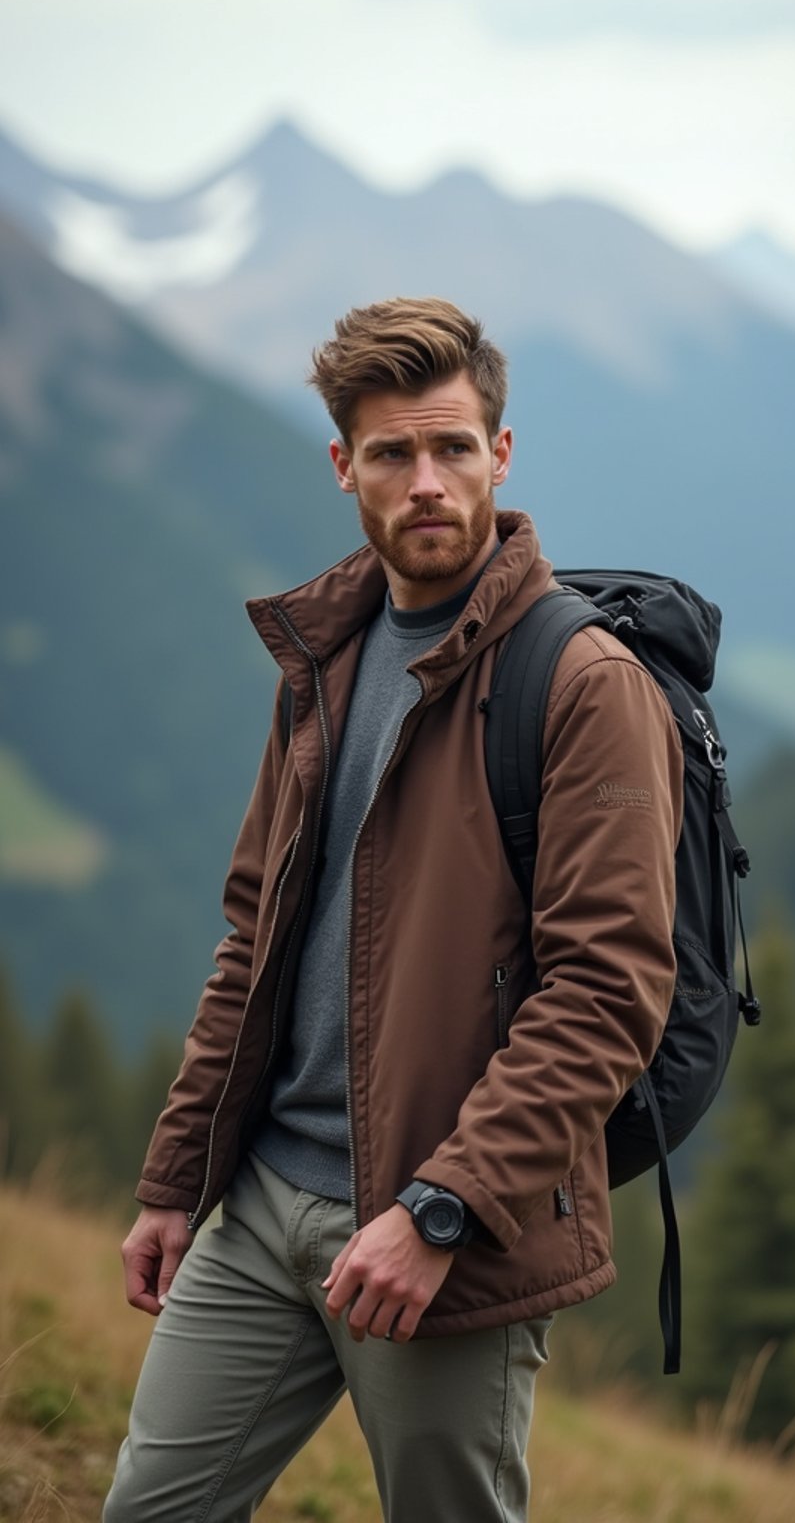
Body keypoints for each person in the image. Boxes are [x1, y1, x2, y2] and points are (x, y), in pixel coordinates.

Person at [104, 297, 683, 1523]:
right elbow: (252, 933)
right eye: (392, 453)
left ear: (501, 455)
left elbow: (608, 993)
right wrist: (176, 1175)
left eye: (454, 448)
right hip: (261, 1208)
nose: (426, 481)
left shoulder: (582, 683)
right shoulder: (326, 653)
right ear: (342, 466)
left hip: (445, 1228)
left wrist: (441, 1210)